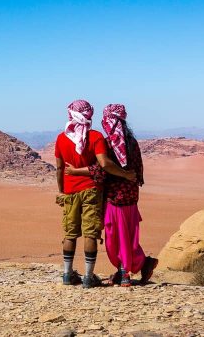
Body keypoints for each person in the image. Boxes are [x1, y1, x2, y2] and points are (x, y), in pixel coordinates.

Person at [65, 103, 157, 286]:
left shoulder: (109, 144)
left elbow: (101, 169)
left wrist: (76, 172)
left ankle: (125, 273)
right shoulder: (132, 143)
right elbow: (138, 170)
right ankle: (138, 265)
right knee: (127, 235)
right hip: (130, 196)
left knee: (116, 237)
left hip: (115, 198)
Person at [54, 100, 139, 288]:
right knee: (91, 234)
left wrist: (61, 190)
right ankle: (88, 277)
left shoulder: (61, 138)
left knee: (70, 233)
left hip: (70, 191)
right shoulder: (95, 137)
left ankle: (67, 276)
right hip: (92, 190)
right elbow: (104, 164)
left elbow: (59, 168)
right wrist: (126, 174)